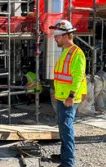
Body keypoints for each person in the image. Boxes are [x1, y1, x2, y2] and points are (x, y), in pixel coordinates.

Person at [49, 20, 87, 167]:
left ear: (66, 36)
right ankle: (65, 156)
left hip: (68, 99)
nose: (55, 38)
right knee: (63, 128)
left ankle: (68, 162)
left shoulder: (77, 53)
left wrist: (71, 96)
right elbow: (63, 76)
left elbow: (78, 77)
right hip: (62, 96)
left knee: (66, 129)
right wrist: (57, 92)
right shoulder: (66, 52)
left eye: (57, 36)